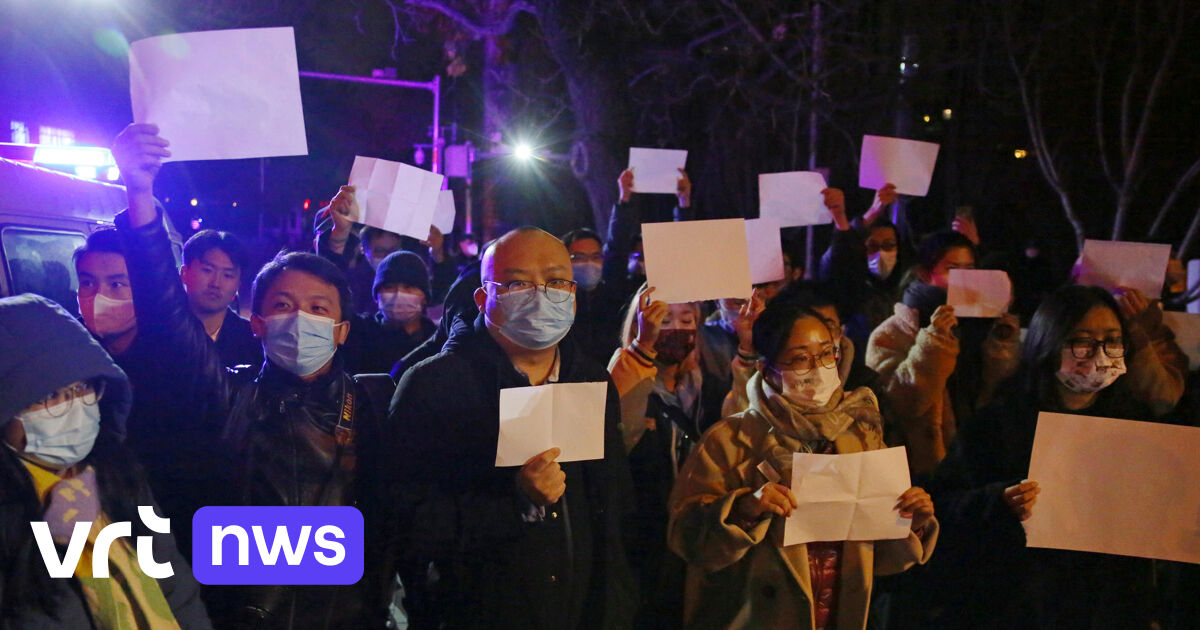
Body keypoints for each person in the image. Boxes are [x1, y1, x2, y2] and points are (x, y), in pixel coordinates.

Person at [111, 123, 397, 628]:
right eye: (284, 306)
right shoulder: (230, 397)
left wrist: (336, 240)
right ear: (258, 323)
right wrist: (140, 196)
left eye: (318, 310)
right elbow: (169, 320)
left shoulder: (373, 402)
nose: (302, 318)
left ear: (343, 331)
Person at [386, 227, 635, 630]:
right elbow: (403, 520)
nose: (541, 294)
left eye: (556, 281)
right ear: (484, 298)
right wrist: (514, 504)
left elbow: (611, 508)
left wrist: (617, 606)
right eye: (518, 282)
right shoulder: (433, 385)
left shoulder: (592, 381)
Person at [667, 298, 938, 630]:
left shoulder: (860, 434)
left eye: (826, 354)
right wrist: (743, 510)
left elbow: (879, 559)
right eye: (799, 359)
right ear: (768, 368)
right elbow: (686, 539)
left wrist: (913, 522)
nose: (818, 368)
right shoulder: (729, 441)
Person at [907, 285, 1165, 628]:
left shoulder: (1136, 426)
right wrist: (998, 501)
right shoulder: (998, 423)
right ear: (1049, 342)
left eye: (1112, 340)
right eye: (1083, 340)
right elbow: (944, 506)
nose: (1100, 354)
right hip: (1016, 608)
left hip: (1105, 609)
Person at [0, 294, 211, 629]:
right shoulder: (11, 521)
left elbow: (175, 586)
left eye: (84, 386)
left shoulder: (117, 477)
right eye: (48, 396)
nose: (74, 406)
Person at [866, 230, 1021, 476]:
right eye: (952, 269)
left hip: (974, 460)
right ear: (925, 273)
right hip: (919, 469)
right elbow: (901, 403)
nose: (964, 279)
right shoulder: (893, 333)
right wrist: (935, 340)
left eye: (970, 270)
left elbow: (999, 393)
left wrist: (1003, 340)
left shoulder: (983, 326)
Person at [606, 285, 696, 629]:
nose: (675, 328)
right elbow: (617, 431)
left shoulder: (703, 385)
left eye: (687, 319)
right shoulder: (627, 372)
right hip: (641, 539)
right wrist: (643, 347)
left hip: (689, 534)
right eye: (664, 318)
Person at [315, 186, 455, 314]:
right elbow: (331, 283)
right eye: (380, 251)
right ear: (363, 249)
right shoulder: (354, 281)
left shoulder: (412, 274)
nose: (388, 257)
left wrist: (438, 253)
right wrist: (340, 231)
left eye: (393, 250)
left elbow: (441, 292)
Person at [818, 184, 904, 371]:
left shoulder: (907, 288)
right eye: (872, 247)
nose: (881, 253)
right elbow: (839, 257)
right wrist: (844, 217)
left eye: (889, 245)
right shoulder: (850, 289)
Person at [341, 250, 437, 375]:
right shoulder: (359, 333)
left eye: (408, 287)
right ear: (376, 297)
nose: (398, 294)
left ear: (425, 297)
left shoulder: (438, 341)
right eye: (389, 287)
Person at [180, 229, 260, 369]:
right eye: (207, 270)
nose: (216, 283)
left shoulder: (251, 340)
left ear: (238, 284)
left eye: (228, 275)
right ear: (184, 273)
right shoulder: (160, 328)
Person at [562, 228, 630, 365]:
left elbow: (618, 246)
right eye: (578, 257)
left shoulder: (616, 298)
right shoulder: (555, 301)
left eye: (595, 256)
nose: (588, 263)